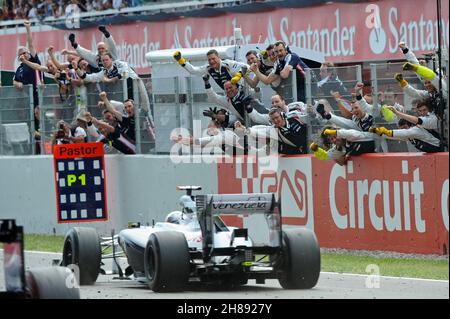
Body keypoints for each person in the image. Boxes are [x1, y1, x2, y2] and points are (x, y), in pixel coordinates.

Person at [235, 107, 308, 155]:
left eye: (277, 117)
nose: (276, 120)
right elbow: (257, 132)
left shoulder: (295, 117)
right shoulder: (274, 130)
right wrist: (244, 129)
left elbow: (309, 119)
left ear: (282, 115)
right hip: (301, 154)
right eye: (273, 119)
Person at [173, 49, 248, 90]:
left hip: (242, 91)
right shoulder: (209, 68)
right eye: (209, 60)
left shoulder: (228, 64)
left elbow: (246, 66)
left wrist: (238, 75)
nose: (211, 61)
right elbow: (194, 70)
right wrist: (181, 60)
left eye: (213, 58)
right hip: (229, 95)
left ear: (218, 57)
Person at [310, 126, 375, 166]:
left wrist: (336, 132)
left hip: (378, 144)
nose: (335, 140)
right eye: (331, 139)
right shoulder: (338, 149)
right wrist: (316, 150)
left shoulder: (349, 136)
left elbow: (351, 133)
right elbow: (326, 156)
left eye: (335, 136)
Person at [369, 118, 443, 153]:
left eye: (404, 128)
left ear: (409, 125)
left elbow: (404, 133)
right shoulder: (409, 136)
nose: (403, 130)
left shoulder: (415, 130)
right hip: (433, 152)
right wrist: (379, 133)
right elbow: (399, 136)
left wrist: (386, 131)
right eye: (401, 129)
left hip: (439, 148)